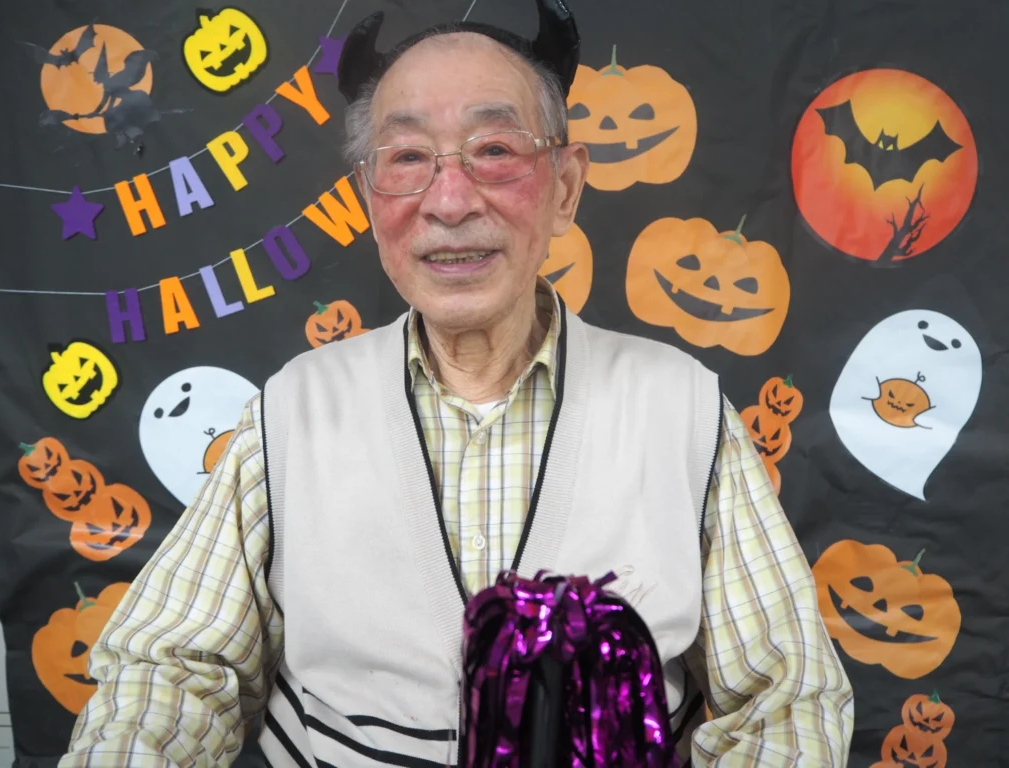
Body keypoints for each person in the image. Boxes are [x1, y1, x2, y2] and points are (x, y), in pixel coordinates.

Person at [60, 1, 854, 765]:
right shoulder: (292, 411)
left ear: (566, 186)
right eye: (407, 158)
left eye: (495, 150)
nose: (449, 202)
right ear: (369, 196)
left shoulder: (680, 409)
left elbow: (786, 700)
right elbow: (169, 672)